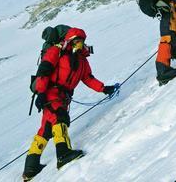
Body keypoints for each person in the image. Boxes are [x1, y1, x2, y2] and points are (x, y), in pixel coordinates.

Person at [23, 28, 118, 180]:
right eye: (77, 40)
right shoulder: (56, 51)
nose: (80, 44)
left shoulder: (82, 61)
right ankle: (63, 154)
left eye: (82, 41)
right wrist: (41, 92)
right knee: (60, 118)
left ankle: (30, 168)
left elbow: (88, 78)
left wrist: (104, 88)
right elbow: (44, 71)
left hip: (63, 97)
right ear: (70, 40)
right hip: (51, 93)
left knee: (46, 130)